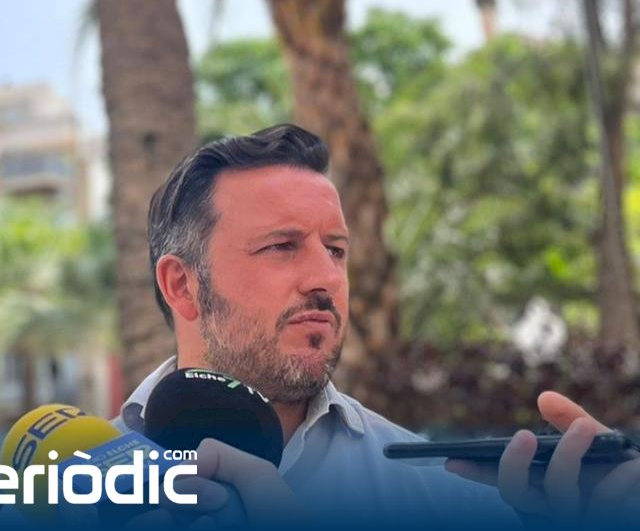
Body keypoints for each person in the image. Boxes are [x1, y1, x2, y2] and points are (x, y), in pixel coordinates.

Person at [119, 124, 638, 527]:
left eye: (336, 250)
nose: (326, 279)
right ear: (182, 285)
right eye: (281, 246)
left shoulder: (440, 495)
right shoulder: (82, 484)